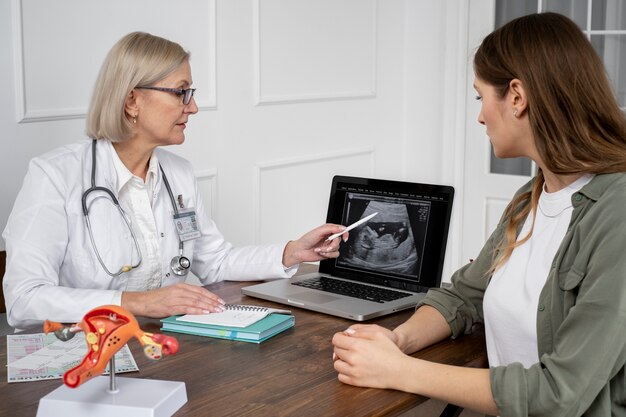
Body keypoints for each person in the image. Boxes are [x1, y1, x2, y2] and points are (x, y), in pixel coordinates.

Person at [332, 12, 626, 417]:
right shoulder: (532, 196)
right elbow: (465, 296)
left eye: (481, 96)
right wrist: (395, 343)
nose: (481, 115)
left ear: (518, 97)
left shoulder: (617, 215)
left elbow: (561, 393)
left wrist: (401, 371)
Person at [2, 32, 347, 330]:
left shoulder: (177, 174)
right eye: (181, 92)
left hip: (157, 346)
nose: (193, 107)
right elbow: (23, 299)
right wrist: (139, 302)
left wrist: (292, 252)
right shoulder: (55, 176)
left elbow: (216, 263)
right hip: (80, 354)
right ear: (132, 100)